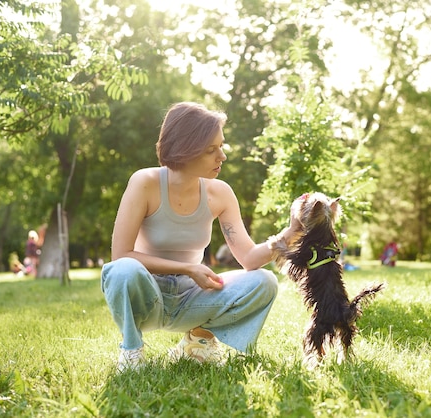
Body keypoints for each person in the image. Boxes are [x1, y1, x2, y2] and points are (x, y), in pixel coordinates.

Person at [101, 102, 300, 371]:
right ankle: (132, 350)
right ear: (185, 150)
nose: (222, 156)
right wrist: (187, 267)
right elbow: (121, 254)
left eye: (221, 146)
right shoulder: (144, 182)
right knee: (122, 271)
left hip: (192, 297)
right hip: (147, 295)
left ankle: (197, 341)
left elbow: (250, 259)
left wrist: (292, 231)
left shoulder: (221, 193)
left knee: (264, 281)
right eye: (211, 150)